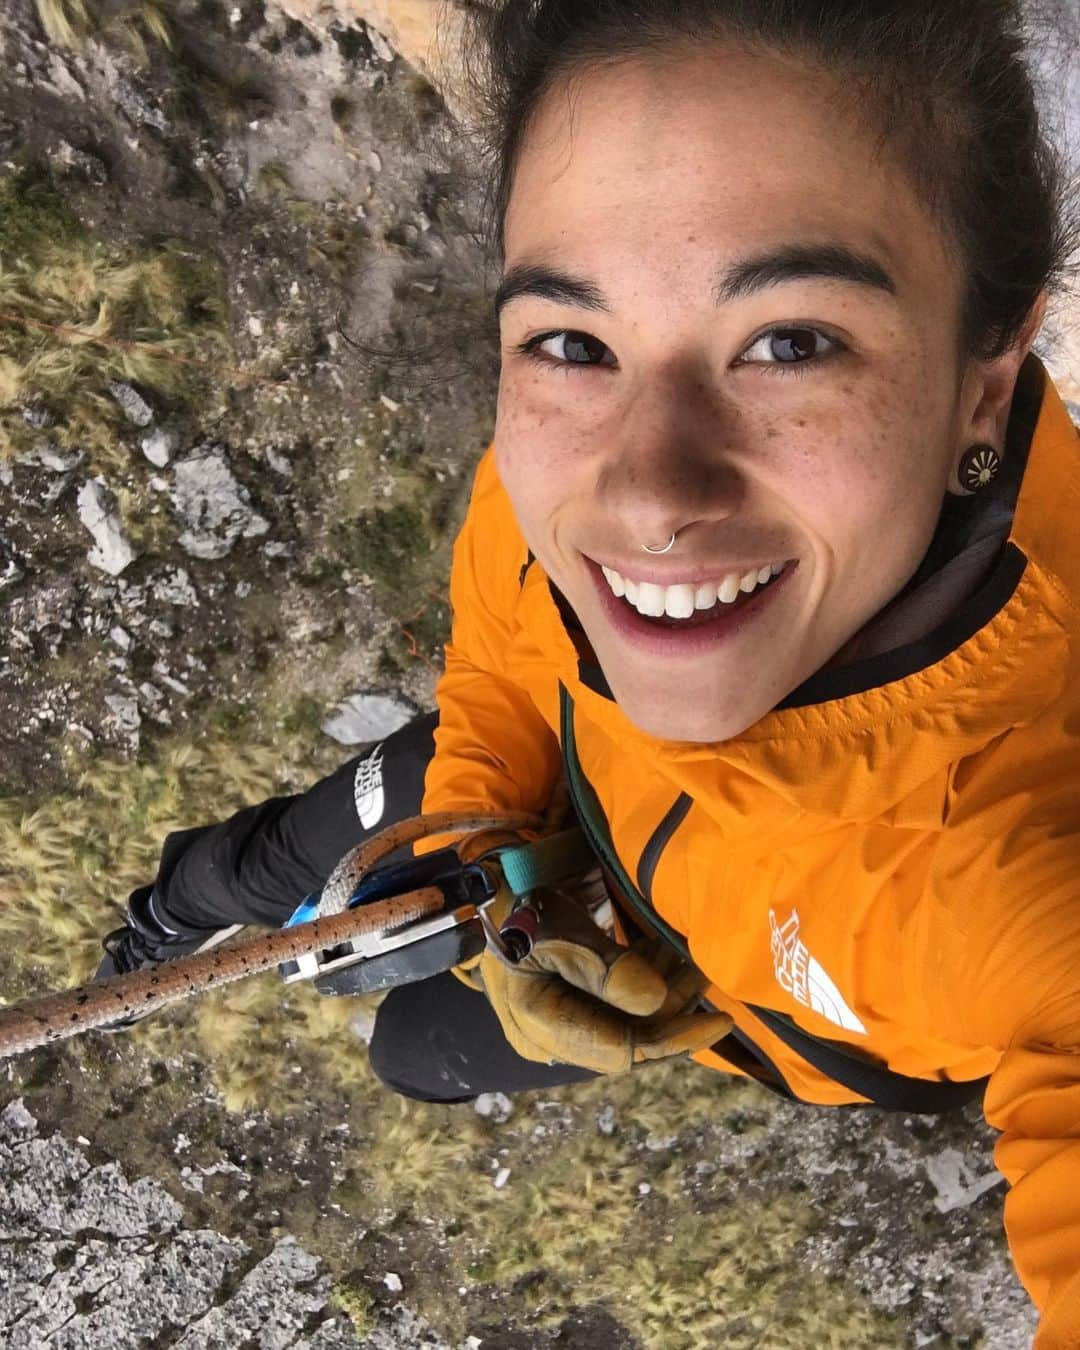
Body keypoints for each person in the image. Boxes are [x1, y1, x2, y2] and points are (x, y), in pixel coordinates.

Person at [96, 1, 1080, 1342]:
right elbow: (511, 633)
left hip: (705, 987)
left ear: (989, 373)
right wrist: (495, 829)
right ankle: (167, 915)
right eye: (572, 338)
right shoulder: (556, 471)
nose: (647, 494)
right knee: (268, 859)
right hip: (553, 822)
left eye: (791, 340)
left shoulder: (1028, 863)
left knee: (408, 1049)